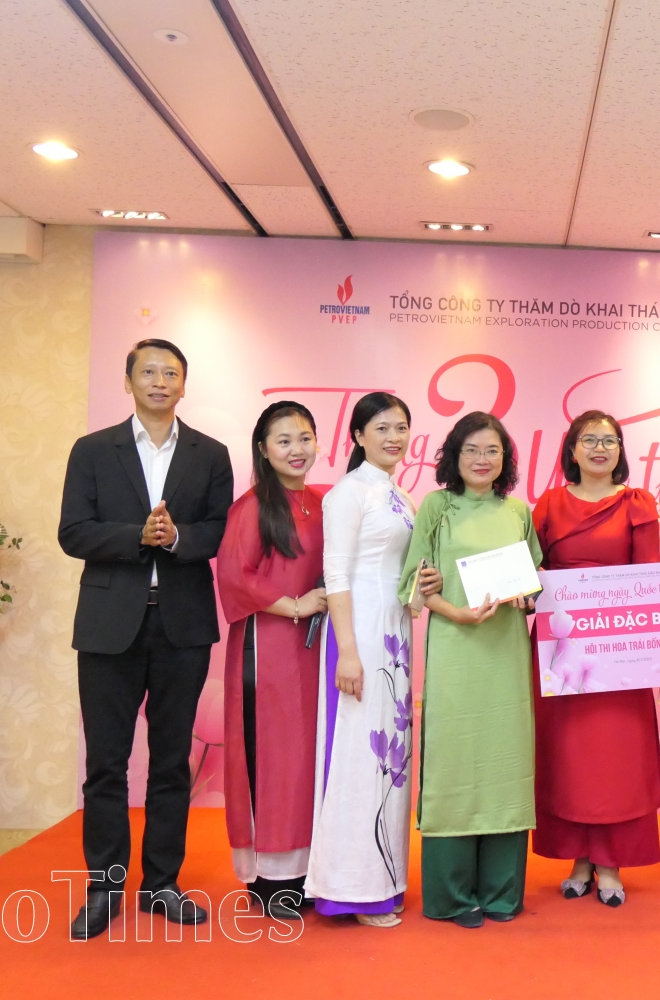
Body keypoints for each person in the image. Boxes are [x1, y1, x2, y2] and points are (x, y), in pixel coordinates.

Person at [57, 339, 233, 939]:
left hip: (182, 625)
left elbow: (220, 530)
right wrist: (139, 535)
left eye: (171, 373)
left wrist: (178, 538)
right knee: (105, 763)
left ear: (184, 384)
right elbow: (73, 532)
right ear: (128, 380)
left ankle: (161, 883)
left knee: (171, 761)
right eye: (149, 371)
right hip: (109, 625)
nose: (160, 381)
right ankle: (104, 888)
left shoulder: (210, 454)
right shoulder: (92, 450)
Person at [398, 412, 543, 928]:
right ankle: (453, 896)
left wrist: (528, 596)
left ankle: (502, 892)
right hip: (457, 650)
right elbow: (413, 584)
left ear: (506, 459)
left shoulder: (518, 511)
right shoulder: (436, 507)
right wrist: (454, 611)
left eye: (493, 451)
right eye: (472, 450)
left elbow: (534, 580)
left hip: (506, 652)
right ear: (454, 456)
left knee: (505, 762)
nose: (483, 460)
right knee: (455, 761)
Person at [306, 392, 441, 927]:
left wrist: (422, 589)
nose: (393, 437)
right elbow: (336, 573)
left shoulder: (400, 495)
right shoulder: (348, 493)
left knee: (391, 761)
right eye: (381, 428)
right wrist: (347, 652)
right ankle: (351, 890)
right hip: (358, 633)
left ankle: (384, 880)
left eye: (401, 427)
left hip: (394, 636)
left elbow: (403, 574)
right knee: (359, 758)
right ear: (358, 436)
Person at [531, 410, 660, 908]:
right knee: (568, 755)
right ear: (572, 449)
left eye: (609, 440)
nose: (600, 448)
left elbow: (650, 576)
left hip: (619, 651)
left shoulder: (637, 503)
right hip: (563, 647)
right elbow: (530, 570)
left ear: (620, 450)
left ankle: (609, 861)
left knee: (616, 757)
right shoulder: (548, 503)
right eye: (589, 440)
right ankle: (579, 858)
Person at [217, 401, 327, 920]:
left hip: (316, 650)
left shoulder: (322, 502)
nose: (296, 449)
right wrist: (297, 605)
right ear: (263, 449)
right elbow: (236, 575)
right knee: (274, 756)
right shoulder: (253, 506)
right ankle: (271, 878)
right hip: (268, 648)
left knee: (307, 758)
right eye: (284, 440)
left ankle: (307, 872)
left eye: (304, 438)